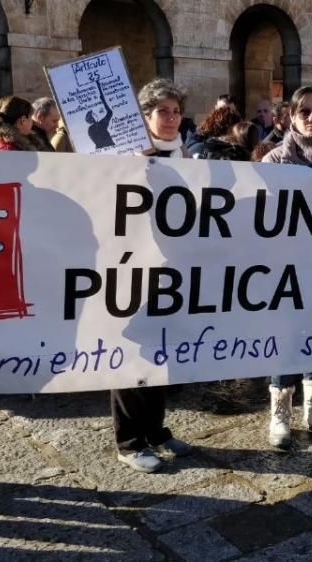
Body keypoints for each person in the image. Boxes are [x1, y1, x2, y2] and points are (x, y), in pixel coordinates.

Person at [111, 78, 193, 473]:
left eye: (176, 111)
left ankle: (156, 430)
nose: (171, 118)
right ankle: (129, 441)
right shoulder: (125, 158)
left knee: (161, 351)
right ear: (144, 116)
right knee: (131, 353)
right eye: (162, 111)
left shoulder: (186, 155)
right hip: (133, 269)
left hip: (173, 269)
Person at [262, 86, 312, 448]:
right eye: (304, 112)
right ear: (291, 116)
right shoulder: (275, 160)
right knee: (285, 335)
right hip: (286, 265)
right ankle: (280, 414)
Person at [86, 80, 114, 148]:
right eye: (92, 114)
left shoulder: (100, 124)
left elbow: (110, 112)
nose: (95, 114)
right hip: (104, 150)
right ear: (91, 119)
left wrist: (103, 100)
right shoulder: (92, 129)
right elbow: (109, 113)